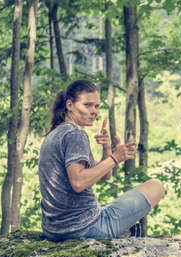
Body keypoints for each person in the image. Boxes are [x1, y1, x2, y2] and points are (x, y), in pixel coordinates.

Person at [38, 79, 164, 241]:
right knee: (156, 186)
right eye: (87, 105)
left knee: (109, 206)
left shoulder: (56, 133)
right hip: (85, 228)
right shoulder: (75, 134)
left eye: (97, 106)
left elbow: (104, 176)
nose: (94, 111)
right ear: (69, 105)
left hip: (54, 230)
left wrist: (107, 149)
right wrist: (115, 158)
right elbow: (78, 182)